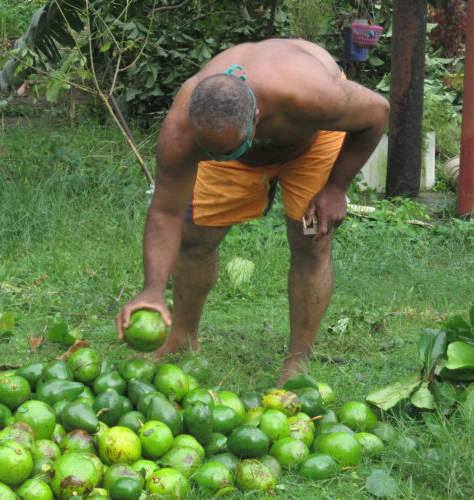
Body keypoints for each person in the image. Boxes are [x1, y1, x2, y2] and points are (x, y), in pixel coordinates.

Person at [115, 39, 390, 385]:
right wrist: (152, 290)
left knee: (311, 240)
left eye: (228, 147)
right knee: (194, 236)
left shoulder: (312, 94)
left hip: (312, 142)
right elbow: (166, 212)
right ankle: (181, 338)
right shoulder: (184, 128)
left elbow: (377, 112)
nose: (218, 157)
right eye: (210, 150)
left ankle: (297, 361)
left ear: (256, 115)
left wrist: (336, 188)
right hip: (226, 142)